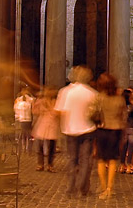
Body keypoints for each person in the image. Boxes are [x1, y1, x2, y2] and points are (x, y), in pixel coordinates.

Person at [54, 65, 98, 197]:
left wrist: (60, 129)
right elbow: (96, 112)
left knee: (72, 160)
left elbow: (59, 112)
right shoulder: (92, 93)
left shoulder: (65, 92)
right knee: (85, 161)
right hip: (88, 130)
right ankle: (83, 188)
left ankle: (70, 188)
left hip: (70, 130)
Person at [94, 73, 127, 200]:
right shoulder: (120, 99)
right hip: (116, 130)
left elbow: (93, 113)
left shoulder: (98, 97)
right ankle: (110, 188)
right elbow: (124, 116)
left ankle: (103, 187)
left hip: (102, 129)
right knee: (113, 160)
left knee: (101, 160)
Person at [32, 87, 59, 172]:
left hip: (52, 125)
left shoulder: (56, 102)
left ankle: (50, 165)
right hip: (42, 125)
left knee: (51, 146)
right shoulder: (41, 101)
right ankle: (40, 164)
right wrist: (35, 105)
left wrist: (50, 108)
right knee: (39, 146)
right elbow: (35, 112)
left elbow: (57, 113)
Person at [120, 89, 133, 174]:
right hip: (131, 127)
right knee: (130, 147)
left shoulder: (121, 106)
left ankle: (122, 165)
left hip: (123, 127)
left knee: (123, 147)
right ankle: (128, 165)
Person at [13, 88, 34, 152]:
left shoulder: (30, 99)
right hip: (22, 120)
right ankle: (21, 148)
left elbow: (33, 109)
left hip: (27, 119)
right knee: (22, 135)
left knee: (27, 135)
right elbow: (15, 109)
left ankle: (28, 149)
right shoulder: (18, 100)